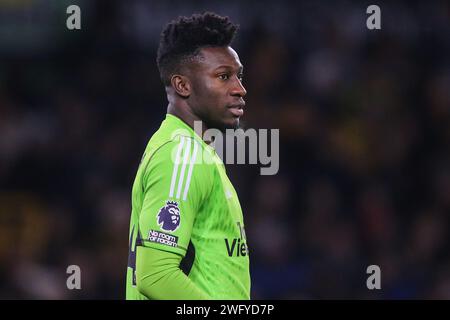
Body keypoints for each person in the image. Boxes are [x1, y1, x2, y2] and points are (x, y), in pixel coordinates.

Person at [126, 12, 250, 300]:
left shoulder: (194, 151)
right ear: (182, 85)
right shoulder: (181, 155)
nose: (240, 89)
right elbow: (156, 275)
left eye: (238, 76)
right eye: (223, 76)